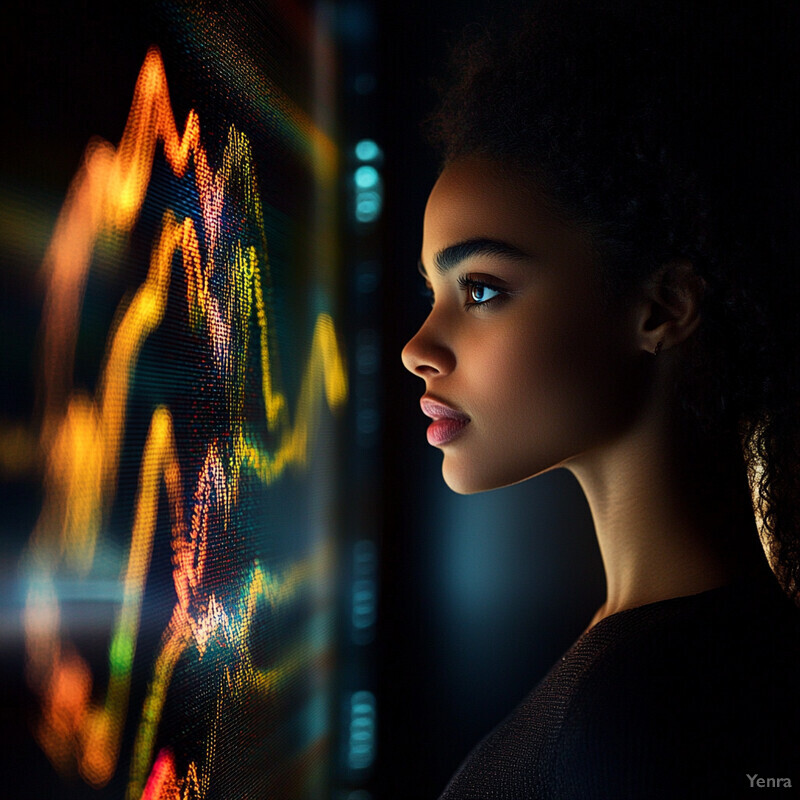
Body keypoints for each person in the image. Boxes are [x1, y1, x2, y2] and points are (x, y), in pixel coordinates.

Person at [400, 1, 800, 797]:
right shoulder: (690, 666)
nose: (418, 349)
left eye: (480, 289)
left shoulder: (644, 717)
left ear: (663, 309)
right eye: (433, 291)